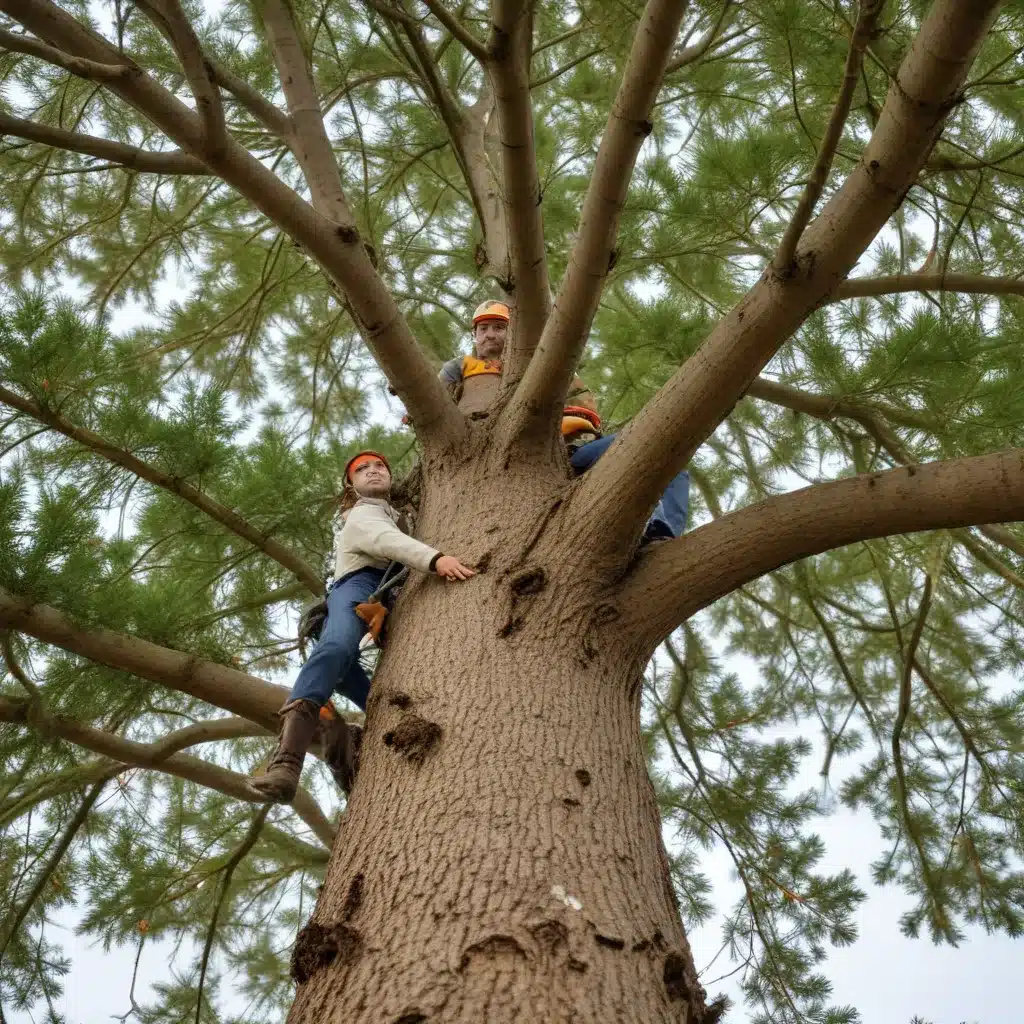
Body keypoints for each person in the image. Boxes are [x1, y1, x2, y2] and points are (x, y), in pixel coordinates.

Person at [248, 451, 475, 804]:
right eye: (361, 469)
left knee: (376, 701)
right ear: (350, 485)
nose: (372, 471)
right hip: (356, 586)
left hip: (385, 594)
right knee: (337, 648)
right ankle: (286, 763)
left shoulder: (397, 514)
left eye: (379, 466)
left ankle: (344, 751)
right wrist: (435, 558)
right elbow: (387, 542)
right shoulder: (363, 513)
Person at [440, 300, 690, 542]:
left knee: (665, 449)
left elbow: (581, 405)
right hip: (519, 456)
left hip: (574, 451)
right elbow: (438, 398)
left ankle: (662, 531)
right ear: (474, 334)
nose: (490, 335)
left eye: (499, 327)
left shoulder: (543, 367)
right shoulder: (460, 367)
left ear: (515, 333)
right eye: (483, 329)